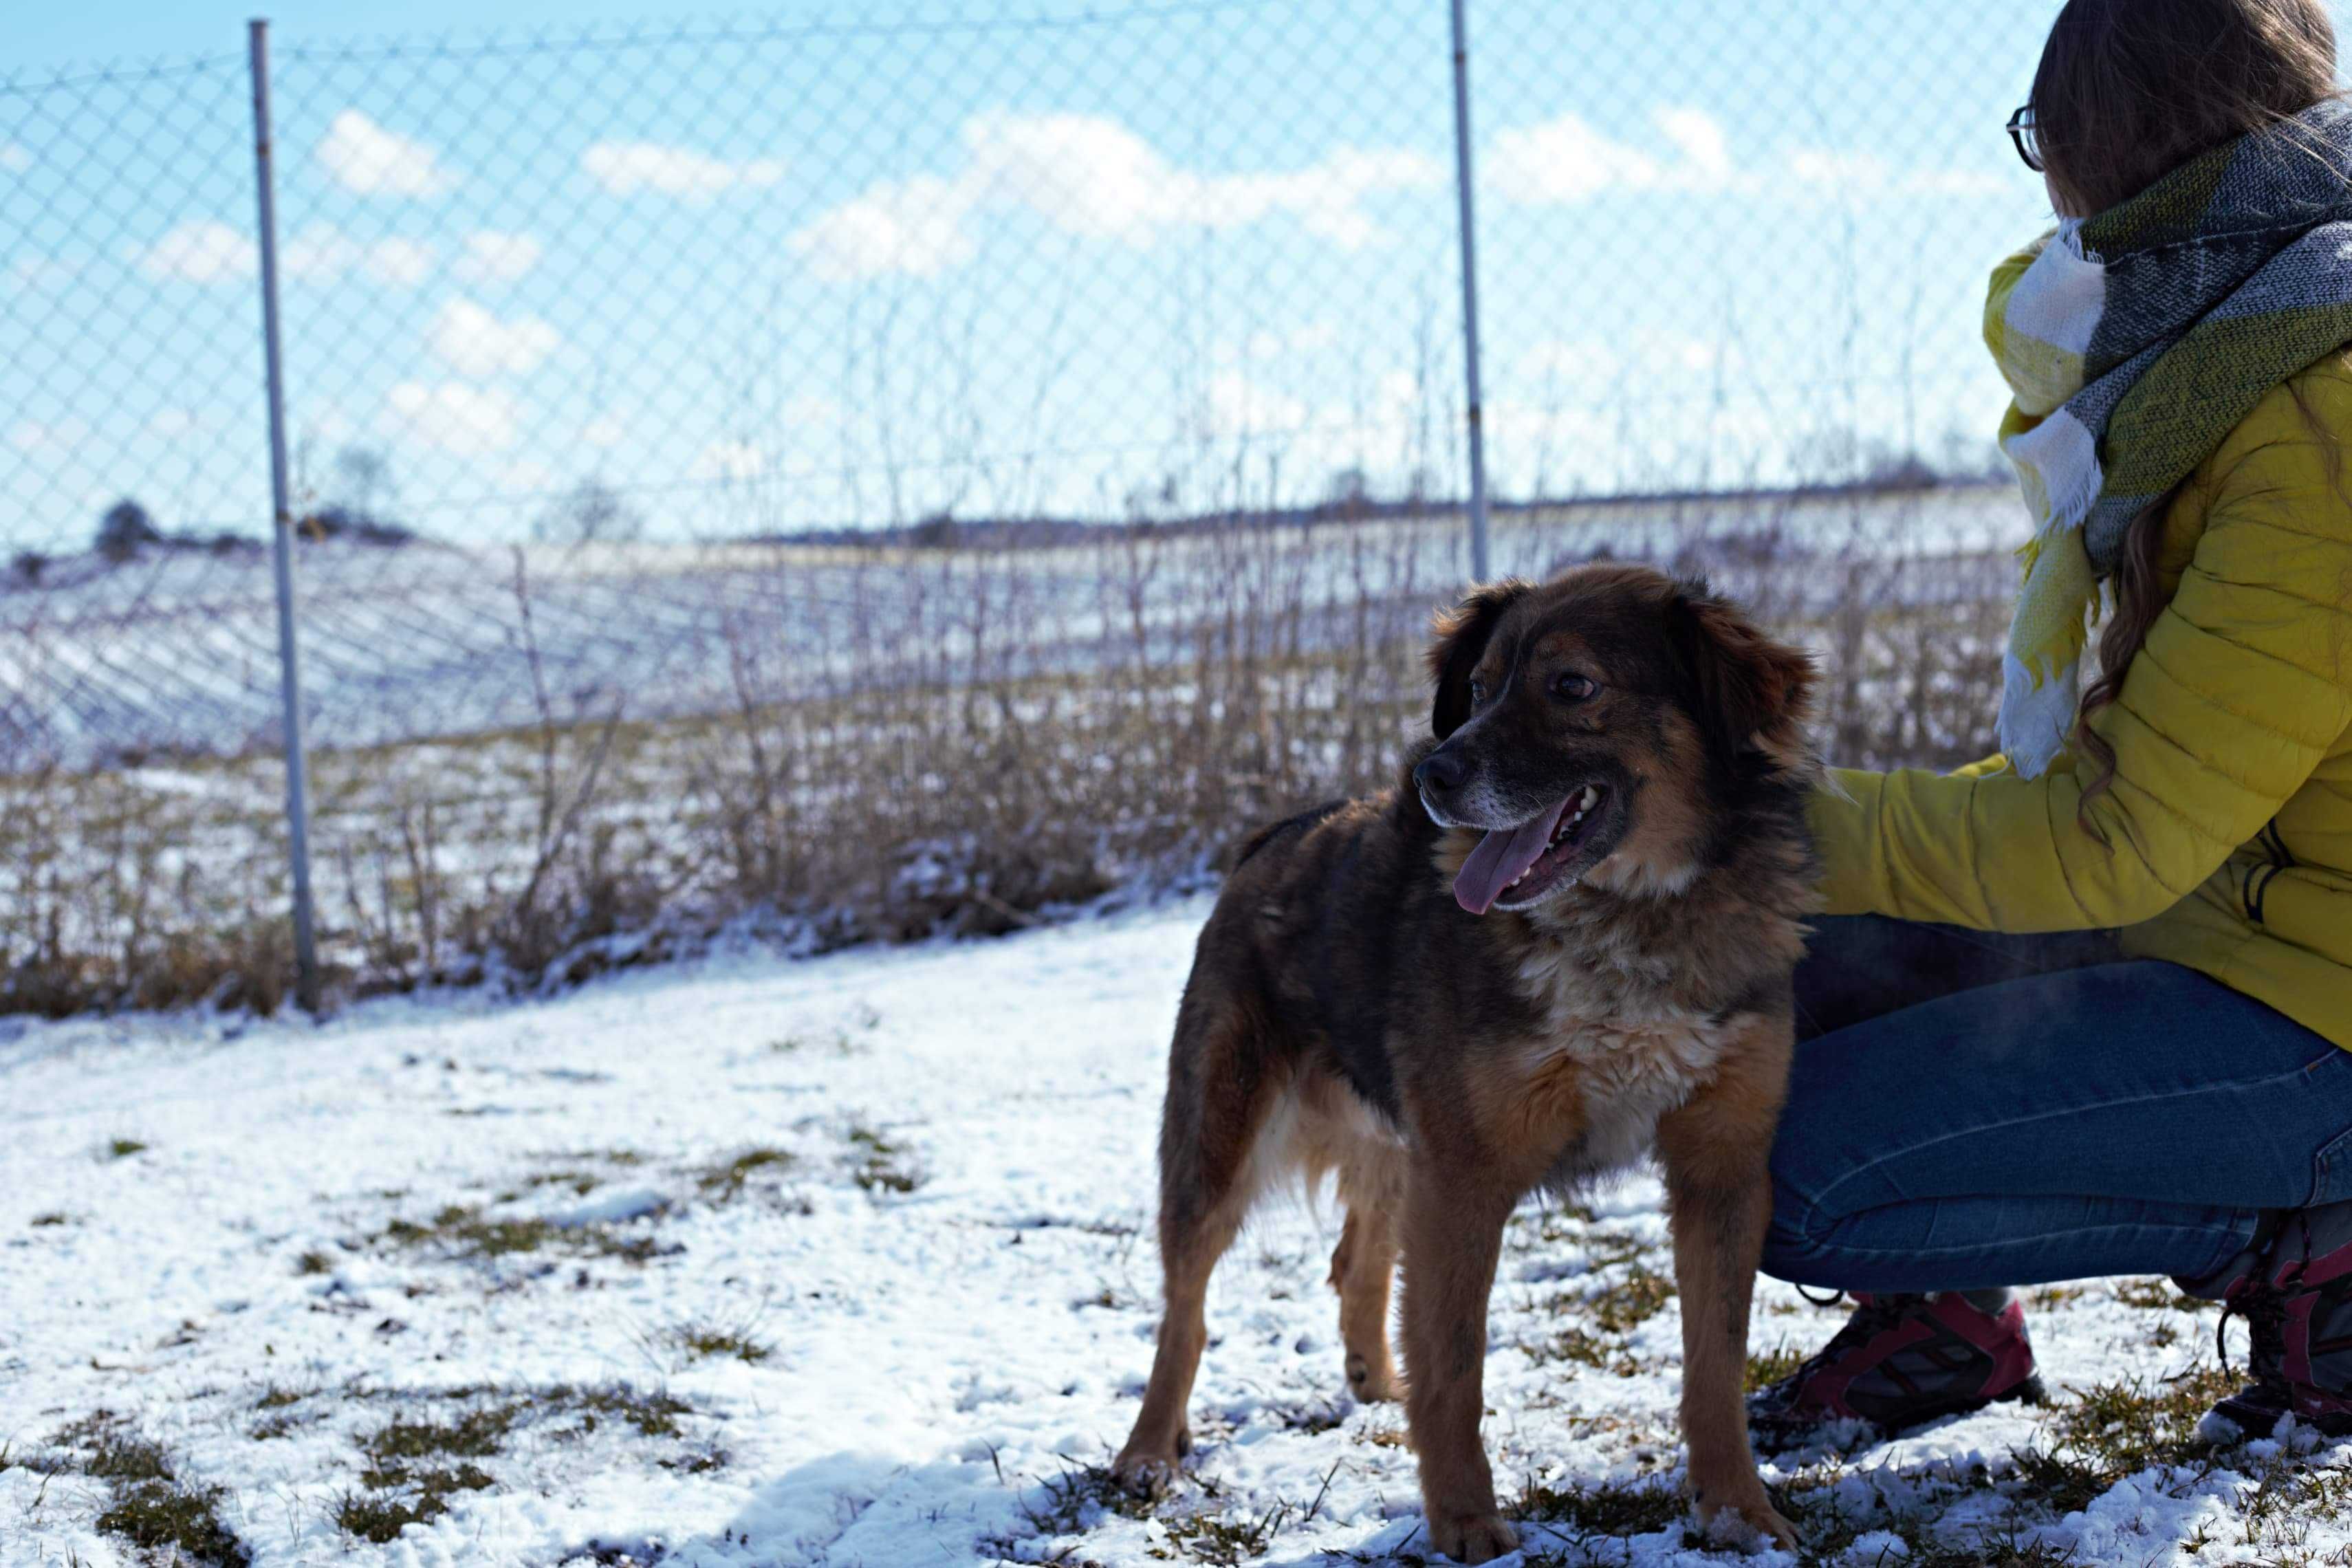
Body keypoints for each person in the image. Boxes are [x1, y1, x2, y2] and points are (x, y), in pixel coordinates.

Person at [1748, 0, 2352, 1446]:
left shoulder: (2314, 431)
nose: (2048, 195)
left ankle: (2315, 1248)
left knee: (1777, 1165)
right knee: (1766, 976)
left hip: (2322, 1004)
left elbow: (2113, 839)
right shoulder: (2229, 365)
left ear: (2116, 155)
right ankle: (1947, 1323)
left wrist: (1752, 824)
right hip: (2229, 930)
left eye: (2049, 147)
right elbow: (2138, 785)